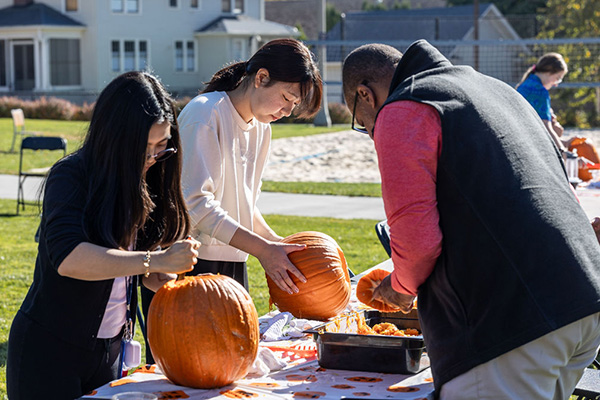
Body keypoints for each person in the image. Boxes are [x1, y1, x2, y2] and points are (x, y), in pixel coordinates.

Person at [343, 40, 600, 399]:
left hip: (511, 323)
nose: (368, 131)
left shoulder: (403, 108)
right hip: (583, 299)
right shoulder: (498, 90)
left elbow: (418, 243)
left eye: (360, 121)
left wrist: (398, 288)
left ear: (364, 95)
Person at [6, 71, 200, 400]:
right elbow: (70, 259)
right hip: (50, 353)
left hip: (109, 353)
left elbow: (135, 272)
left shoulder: (146, 178)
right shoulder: (71, 175)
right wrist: (155, 260)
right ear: (116, 137)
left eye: (161, 147)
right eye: (144, 148)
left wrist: (173, 283)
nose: (153, 158)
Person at [178, 38, 322, 292]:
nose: (288, 111)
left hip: (235, 258)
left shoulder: (261, 128)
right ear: (261, 78)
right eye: (286, 97)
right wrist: (263, 249)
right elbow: (196, 204)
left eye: (295, 105)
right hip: (189, 261)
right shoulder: (206, 113)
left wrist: (276, 243)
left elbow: (244, 205)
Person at [516, 52, 600, 180]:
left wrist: (565, 142)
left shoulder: (524, 86)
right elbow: (546, 129)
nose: (556, 83)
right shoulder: (539, 91)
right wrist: (565, 153)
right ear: (549, 72)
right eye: (558, 78)